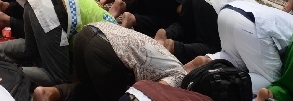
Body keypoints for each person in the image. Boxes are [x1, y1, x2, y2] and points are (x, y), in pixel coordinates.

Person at [31, 21, 189, 101]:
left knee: (90, 91)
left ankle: (50, 93)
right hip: (106, 50)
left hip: (88, 33)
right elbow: (151, 92)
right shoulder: (180, 77)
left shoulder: (170, 61)